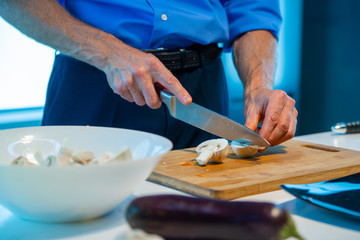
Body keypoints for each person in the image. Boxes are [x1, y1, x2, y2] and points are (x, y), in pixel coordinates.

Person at [0, 0, 297, 150]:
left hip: (201, 93)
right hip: (99, 84)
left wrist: (258, 86)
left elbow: (252, 8)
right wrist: (108, 53)